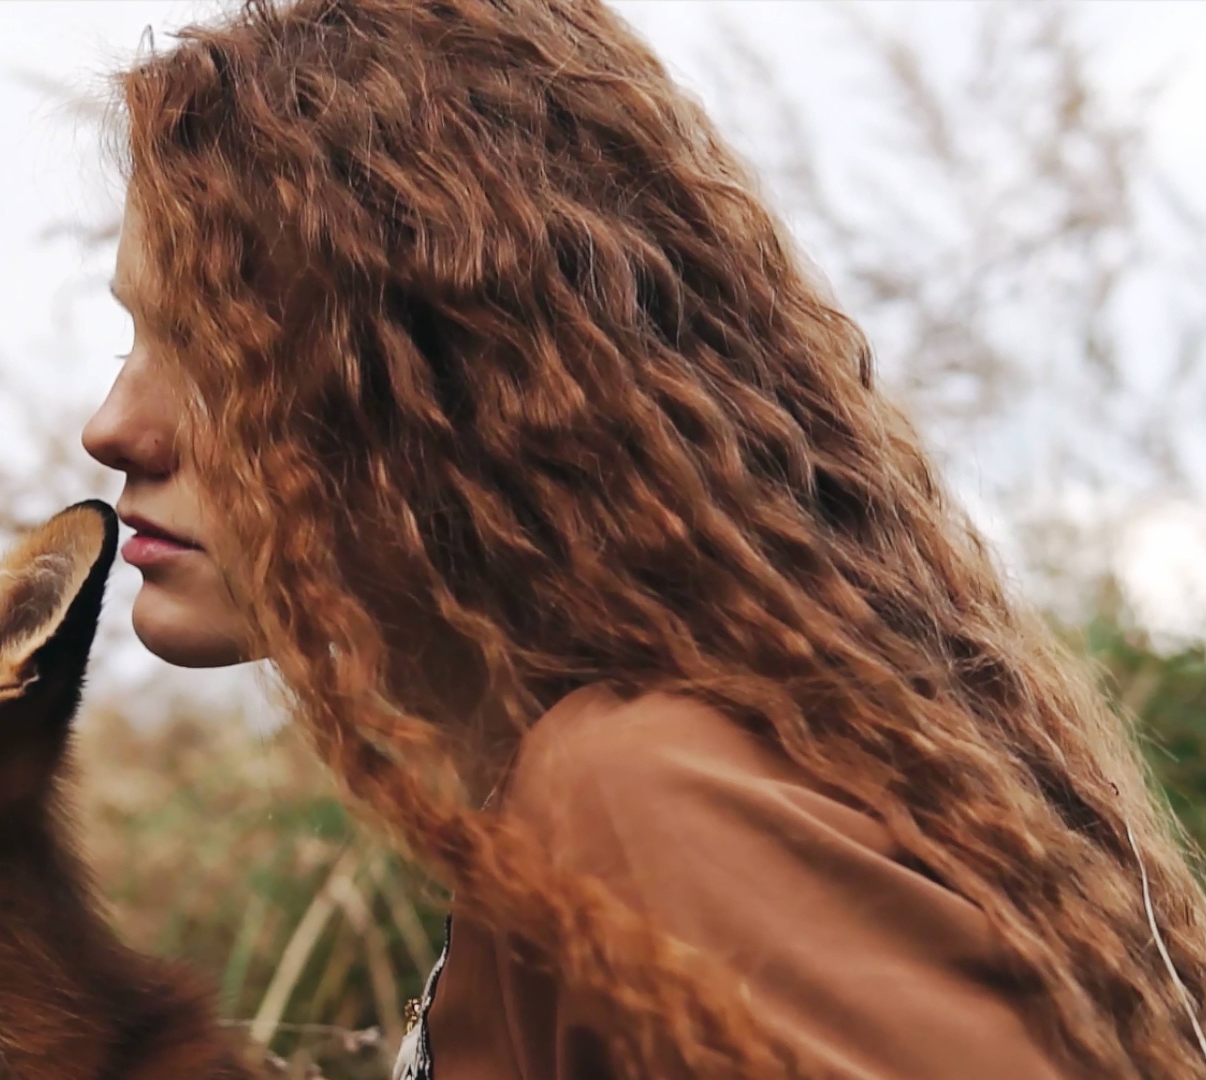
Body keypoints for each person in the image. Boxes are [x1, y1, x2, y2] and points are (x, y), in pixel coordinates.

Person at [79, 1, 1206, 1077]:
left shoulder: (633, 791)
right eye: (135, 338)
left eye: (210, 349)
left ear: (462, 377)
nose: (113, 427)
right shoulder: (602, 785)